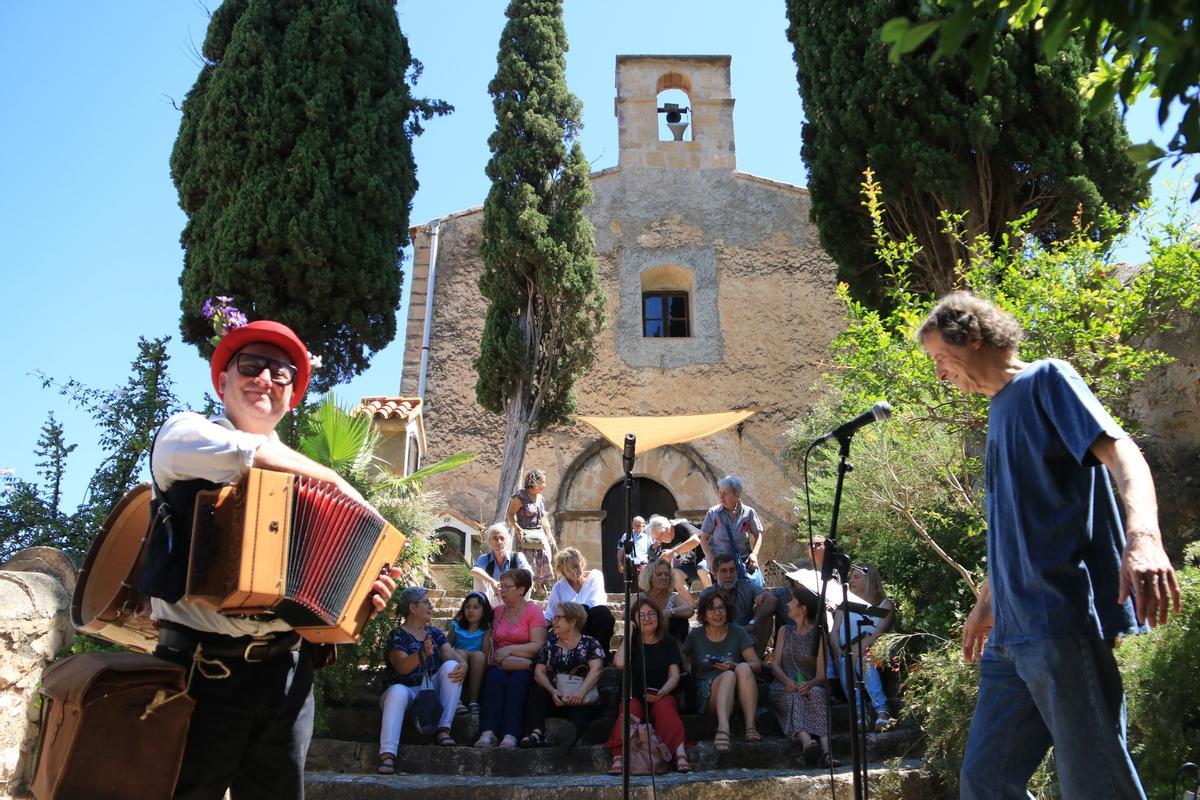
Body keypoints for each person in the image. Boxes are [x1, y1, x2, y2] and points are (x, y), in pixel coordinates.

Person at [918, 291, 1181, 799]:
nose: (940, 375)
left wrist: (1144, 538)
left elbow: (1124, 454)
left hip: (1058, 623)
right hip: (1010, 635)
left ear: (972, 337)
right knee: (985, 783)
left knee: (1096, 784)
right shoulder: (999, 410)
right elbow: (1017, 523)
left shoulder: (1047, 379)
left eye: (941, 359)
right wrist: (987, 601)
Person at [142, 319, 399, 800]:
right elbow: (251, 454)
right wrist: (336, 481)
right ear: (222, 382)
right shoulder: (185, 434)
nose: (265, 379)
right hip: (200, 671)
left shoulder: (307, 483)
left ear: (292, 396)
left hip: (286, 677)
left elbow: (330, 602)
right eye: (251, 366)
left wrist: (365, 596)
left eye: (280, 374)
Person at [377, 587, 467, 773]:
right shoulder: (397, 635)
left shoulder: (434, 633)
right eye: (426, 602)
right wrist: (421, 654)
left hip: (429, 691)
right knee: (396, 692)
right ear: (412, 608)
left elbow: (448, 653)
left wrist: (464, 665)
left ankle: (443, 729)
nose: (431, 606)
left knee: (451, 667)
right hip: (405, 690)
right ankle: (387, 755)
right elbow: (402, 667)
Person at [607, 597, 689, 774]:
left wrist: (664, 691)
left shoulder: (667, 641)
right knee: (630, 708)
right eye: (641, 616)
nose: (647, 618)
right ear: (634, 620)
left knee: (665, 707)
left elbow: (674, 674)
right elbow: (620, 663)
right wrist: (628, 634)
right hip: (634, 695)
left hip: (662, 693)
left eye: (651, 614)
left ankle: (680, 753)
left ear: (658, 617)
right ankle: (618, 756)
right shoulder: (631, 642)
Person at [681, 588, 762, 752]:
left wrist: (734, 665)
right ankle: (723, 728)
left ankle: (750, 727)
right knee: (728, 676)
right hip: (707, 693)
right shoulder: (696, 635)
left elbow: (756, 665)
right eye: (712, 609)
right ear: (704, 614)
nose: (717, 613)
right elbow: (682, 654)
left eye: (721, 608)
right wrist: (687, 669)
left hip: (739, 694)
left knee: (743, 668)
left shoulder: (738, 632)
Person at [475, 568, 547, 749]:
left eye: (507, 587)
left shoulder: (534, 612)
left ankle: (511, 733)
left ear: (521, 589)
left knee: (518, 683)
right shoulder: (498, 611)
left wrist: (509, 650)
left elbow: (538, 645)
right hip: (499, 664)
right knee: (494, 679)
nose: (502, 590)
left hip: (522, 665)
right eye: (501, 586)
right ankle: (488, 732)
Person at [522, 601, 606, 748]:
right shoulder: (550, 644)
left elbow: (597, 669)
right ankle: (536, 733)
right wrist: (552, 691)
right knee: (536, 691)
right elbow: (539, 672)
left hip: (580, 699)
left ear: (573, 621)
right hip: (556, 697)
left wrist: (580, 692)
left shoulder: (590, 643)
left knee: (580, 721)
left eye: (558, 618)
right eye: (554, 618)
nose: (553, 622)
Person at [770, 588, 837, 768]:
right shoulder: (785, 631)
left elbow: (821, 675)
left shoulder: (818, 634)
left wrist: (810, 683)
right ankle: (807, 743)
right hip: (783, 684)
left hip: (808, 682)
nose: (788, 604)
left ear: (803, 608)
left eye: (792, 601)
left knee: (817, 693)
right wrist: (786, 681)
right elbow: (775, 666)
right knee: (794, 695)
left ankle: (827, 751)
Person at [830, 564, 896, 731]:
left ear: (869, 579)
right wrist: (837, 651)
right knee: (845, 662)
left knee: (865, 659)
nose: (851, 580)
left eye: (857, 577)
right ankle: (859, 712)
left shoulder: (884, 604)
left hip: (872, 649)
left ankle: (882, 711)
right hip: (846, 651)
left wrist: (858, 650)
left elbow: (878, 633)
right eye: (851, 577)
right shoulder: (844, 603)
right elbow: (835, 631)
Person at [698, 554, 777, 656]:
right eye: (723, 571)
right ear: (714, 574)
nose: (728, 575)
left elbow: (772, 600)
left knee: (766, 615)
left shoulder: (746, 587)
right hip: (720, 635)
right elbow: (703, 622)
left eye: (732, 570)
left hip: (747, 632)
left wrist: (753, 622)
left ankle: (757, 658)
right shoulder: (707, 594)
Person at [544, 547, 615, 655]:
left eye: (577, 566)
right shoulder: (559, 587)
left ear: (581, 562)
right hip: (570, 627)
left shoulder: (595, 576)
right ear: (562, 571)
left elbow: (596, 602)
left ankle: (597, 655)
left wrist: (573, 611)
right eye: (569, 569)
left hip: (591, 623)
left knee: (601, 612)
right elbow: (550, 615)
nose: (575, 571)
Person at [699, 475, 765, 590]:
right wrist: (710, 558)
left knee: (755, 589)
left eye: (725, 493)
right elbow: (703, 538)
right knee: (702, 568)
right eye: (720, 493)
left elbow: (758, 534)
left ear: (737, 495)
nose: (721, 497)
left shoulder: (748, 513)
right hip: (719, 560)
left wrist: (754, 554)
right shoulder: (713, 513)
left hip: (741, 560)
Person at [506, 469, 557, 587]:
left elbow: (543, 518)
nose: (545, 485)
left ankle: (539, 585)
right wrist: (517, 528)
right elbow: (510, 514)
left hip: (538, 532)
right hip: (525, 533)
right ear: (534, 482)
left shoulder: (540, 498)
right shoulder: (520, 496)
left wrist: (549, 535)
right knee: (528, 561)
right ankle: (529, 586)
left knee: (545, 555)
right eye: (542, 482)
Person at [448, 590, 492, 717]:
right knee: (459, 652)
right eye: (467, 607)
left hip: (476, 665)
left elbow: (485, 652)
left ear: (484, 610)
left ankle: (474, 702)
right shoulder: (456, 626)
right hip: (459, 662)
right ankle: (456, 699)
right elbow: (446, 646)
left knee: (479, 655)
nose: (471, 610)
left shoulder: (486, 629)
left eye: (476, 607)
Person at [470, 523, 533, 604]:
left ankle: (521, 612)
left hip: (513, 597)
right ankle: (485, 612)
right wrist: (493, 582)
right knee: (478, 577)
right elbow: (474, 570)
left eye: (502, 538)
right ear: (490, 542)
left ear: (506, 540)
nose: (499, 542)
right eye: (495, 538)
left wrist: (509, 584)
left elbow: (528, 572)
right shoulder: (485, 558)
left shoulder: (517, 557)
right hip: (493, 598)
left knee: (528, 579)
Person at [638, 557, 694, 645]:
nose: (664, 577)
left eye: (667, 574)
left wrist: (670, 612)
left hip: (670, 643)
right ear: (649, 576)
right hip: (644, 641)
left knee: (680, 622)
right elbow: (625, 614)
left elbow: (690, 610)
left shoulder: (673, 597)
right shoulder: (640, 597)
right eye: (659, 574)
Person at [645, 515, 703, 591]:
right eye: (656, 539)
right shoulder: (663, 543)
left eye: (659, 537)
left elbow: (695, 540)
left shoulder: (681, 526)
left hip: (706, 561)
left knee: (703, 569)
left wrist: (673, 552)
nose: (659, 541)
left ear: (666, 529)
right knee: (672, 576)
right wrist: (667, 559)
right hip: (689, 567)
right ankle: (689, 603)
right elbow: (669, 568)